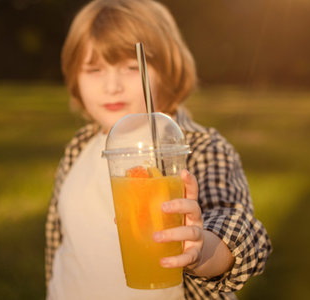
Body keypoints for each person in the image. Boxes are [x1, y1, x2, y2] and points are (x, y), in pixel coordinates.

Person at [45, 0, 272, 299]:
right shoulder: (79, 147)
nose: (111, 85)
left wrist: (203, 250)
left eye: (129, 68)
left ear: (167, 69)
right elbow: (61, 242)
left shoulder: (201, 148)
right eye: (94, 69)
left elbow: (238, 227)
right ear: (75, 78)